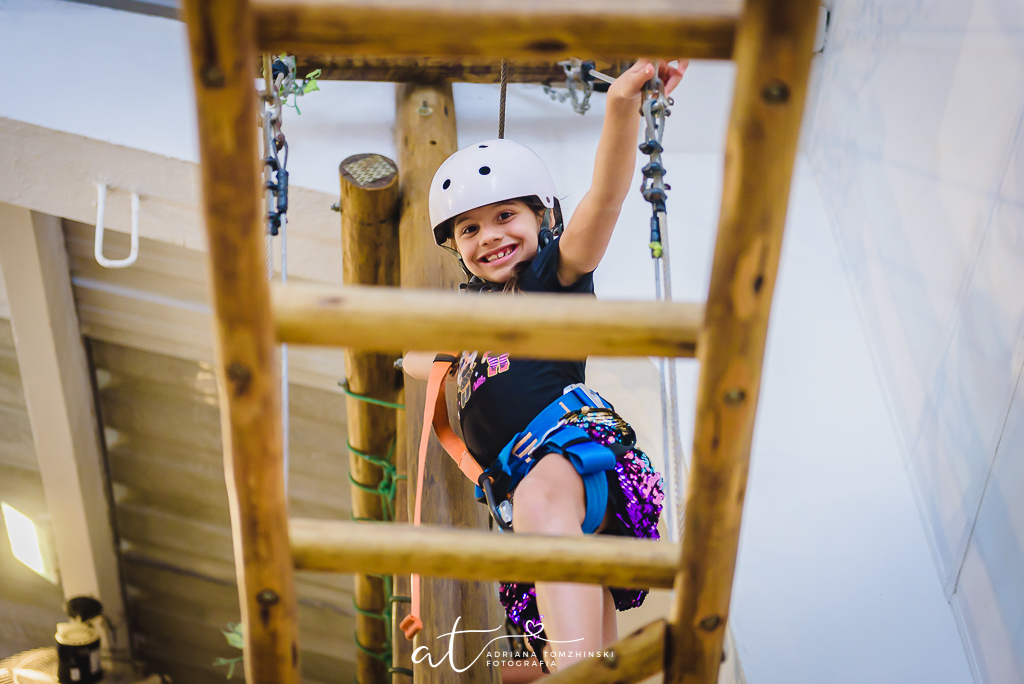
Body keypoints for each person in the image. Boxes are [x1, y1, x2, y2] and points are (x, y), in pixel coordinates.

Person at [404, 58, 687, 677]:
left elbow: (605, 201)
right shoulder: (471, 336)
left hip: (566, 460)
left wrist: (620, 108)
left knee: (548, 544)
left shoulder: (552, 281)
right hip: (527, 493)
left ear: (543, 219)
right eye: (470, 230)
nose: (489, 237)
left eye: (506, 216)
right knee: (567, 638)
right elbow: (416, 361)